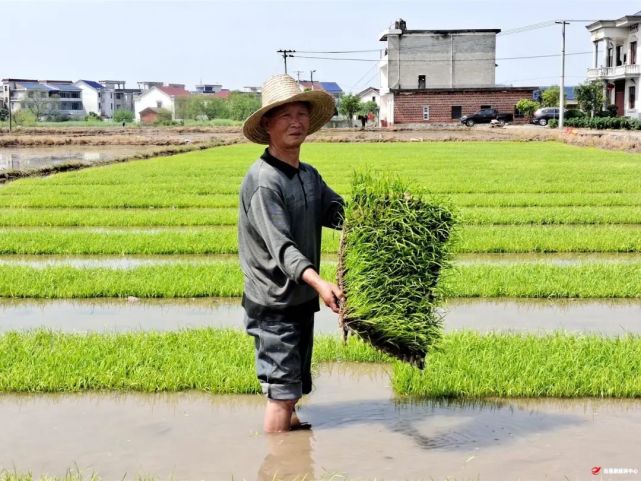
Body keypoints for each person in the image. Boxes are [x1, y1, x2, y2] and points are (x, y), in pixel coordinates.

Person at [239, 74, 344, 433]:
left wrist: (383, 216)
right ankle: (278, 461)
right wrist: (320, 283)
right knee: (281, 392)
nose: (295, 122)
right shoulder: (263, 181)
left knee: (294, 383)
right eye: (285, 115)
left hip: (299, 298)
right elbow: (283, 249)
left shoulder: (308, 176)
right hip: (273, 303)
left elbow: (337, 212)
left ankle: (293, 438)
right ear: (268, 123)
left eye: (301, 114)